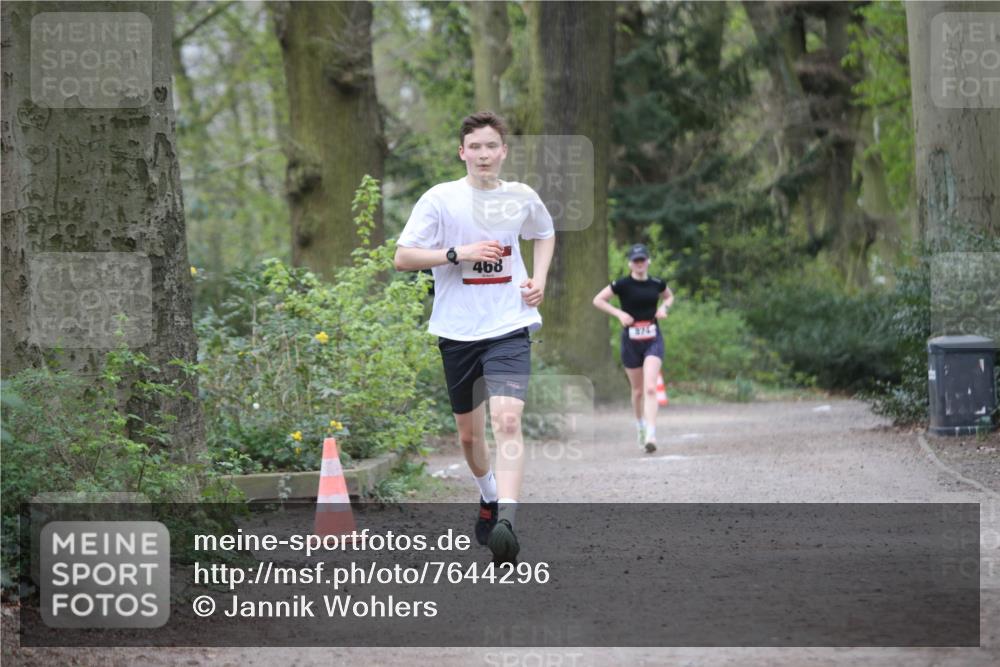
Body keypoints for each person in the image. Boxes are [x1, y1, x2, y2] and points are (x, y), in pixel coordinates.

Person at [394, 111, 555, 564]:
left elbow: (544, 232)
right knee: (469, 437)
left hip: (509, 324)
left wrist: (539, 279)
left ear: (503, 152)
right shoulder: (440, 199)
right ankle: (487, 494)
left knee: (507, 420)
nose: (484, 155)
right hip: (457, 330)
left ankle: (507, 518)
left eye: (492, 146)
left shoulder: (521, 196)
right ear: (462, 152)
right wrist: (456, 253)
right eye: (475, 147)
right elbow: (402, 257)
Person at [592, 244, 674, 453]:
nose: (639, 264)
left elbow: (669, 296)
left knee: (650, 388)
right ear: (630, 263)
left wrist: (664, 308)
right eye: (636, 261)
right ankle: (640, 426)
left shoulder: (657, 283)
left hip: (653, 339)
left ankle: (651, 434)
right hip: (631, 341)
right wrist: (619, 314)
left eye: (643, 260)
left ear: (648, 261)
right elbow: (598, 300)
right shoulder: (621, 284)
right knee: (637, 392)